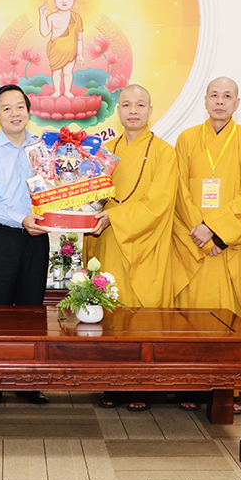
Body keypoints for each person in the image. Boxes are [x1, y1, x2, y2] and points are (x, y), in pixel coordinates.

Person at [169, 76, 241, 413]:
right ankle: (192, 386)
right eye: (214, 95)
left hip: (229, 247)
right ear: (205, 100)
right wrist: (199, 232)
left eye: (227, 96)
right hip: (194, 243)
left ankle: (231, 391)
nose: (220, 101)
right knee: (191, 319)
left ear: (237, 103)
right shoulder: (187, 139)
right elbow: (178, 189)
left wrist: (216, 233)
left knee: (228, 319)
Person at [84, 84, 177, 411]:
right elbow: (91, 196)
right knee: (109, 312)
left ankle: (144, 387)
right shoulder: (104, 150)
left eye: (140, 105)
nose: (133, 111)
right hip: (109, 242)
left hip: (145, 245)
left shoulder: (166, 153)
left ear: (150, 111)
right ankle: (111, 383)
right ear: (117, 111)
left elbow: (159, 205)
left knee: (142, 315)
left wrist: (114, 216)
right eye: (126, 105)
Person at [0, 84, 50, 408]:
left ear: (28, 111)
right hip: (3, 235)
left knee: (32, 309)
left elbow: (57, 187)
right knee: (0, 310)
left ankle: (28, 382)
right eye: (7, 108)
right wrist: (21, 219)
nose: (15, 113)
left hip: (37, 236)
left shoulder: (43, 148)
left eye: (20, 106)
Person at [39, 0, 84, 98]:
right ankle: (57, 91)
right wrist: (43, 16)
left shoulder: (77, 17)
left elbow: (79, 38)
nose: (64, 0)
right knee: (57, 72)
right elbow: (44, 32)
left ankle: (67, 91)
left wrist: (79, 54)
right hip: (56, 51)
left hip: (71, 52)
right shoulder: (52, 17)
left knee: (68, 72)